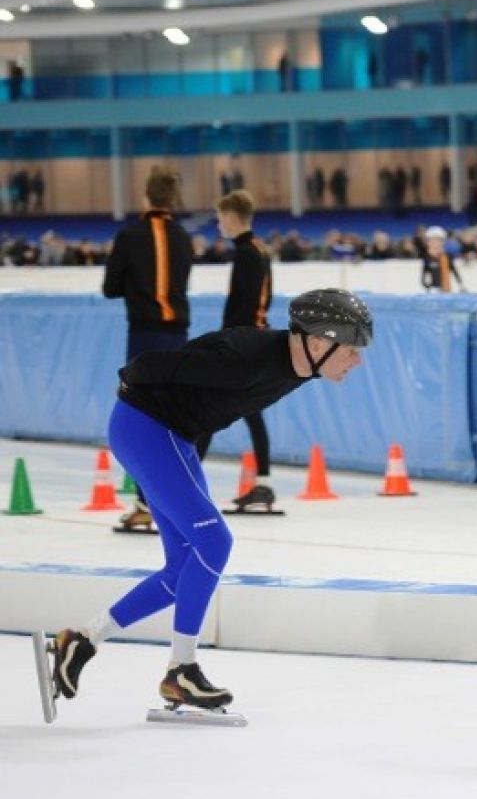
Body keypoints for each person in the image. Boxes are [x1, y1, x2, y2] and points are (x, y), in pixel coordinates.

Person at [47, 289, 373, 714]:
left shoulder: (297, 366)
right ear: (316, 342)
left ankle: (82, 640)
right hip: (145, 429)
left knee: (183, 568)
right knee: (214, 543)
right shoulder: (248, 359)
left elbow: (203, 399)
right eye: (350, 349)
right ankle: (181, 670)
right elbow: (152, 366)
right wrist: (133, 382)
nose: (358, 360)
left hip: (172, 437)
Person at [103, 165, 194, 533]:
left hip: (144, 335)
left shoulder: (130, 235)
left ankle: (145, 502)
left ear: (146, 196)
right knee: (176, 417)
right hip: (179, 337)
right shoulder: (184, 237)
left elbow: (110, 287)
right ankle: (178, 499)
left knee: (142, 416)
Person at [197, 189, 277, 511]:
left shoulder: (247, 253)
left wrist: (227, 340)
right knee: (247, 411)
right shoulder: (258, 249)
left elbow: (241, 304)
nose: (218, 225)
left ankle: (186, 479)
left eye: (219, 219)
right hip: (253, 340)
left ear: (231, 218)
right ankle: (265, 484)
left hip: (242, 344)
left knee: (210, 410)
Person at [420, 226, 464, 292]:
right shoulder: (426, 257)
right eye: (433, 240)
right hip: (433, 289)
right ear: (428, 242)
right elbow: (424, 275)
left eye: (438, 240)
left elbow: (455, 272)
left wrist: (460, 285)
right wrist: (427, 286)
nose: (435, 243)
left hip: (446, 289)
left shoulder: (447, 256)